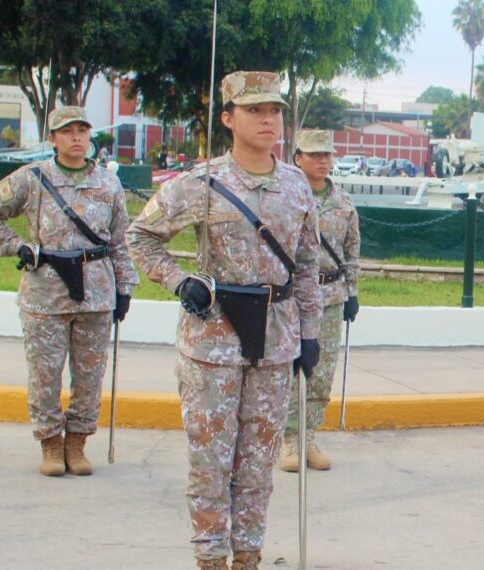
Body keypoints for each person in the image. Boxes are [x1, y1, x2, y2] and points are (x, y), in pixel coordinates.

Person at [126, 71, 323, 570]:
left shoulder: (298, 186)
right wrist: (177, 281)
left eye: (275, 110)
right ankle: (211, 559)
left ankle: (248, 556)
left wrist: (311, 334)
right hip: (213, 340)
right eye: (255, 110)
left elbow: (306, 267)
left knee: (257, 462)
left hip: (276, 341)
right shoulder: (201, 184)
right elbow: (141, 235)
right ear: (228, 118)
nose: (267, 119)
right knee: (211, 461)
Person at [0, 106, 138, 478]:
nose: (77, 138)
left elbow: (120, 240)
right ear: (53, 138)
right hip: (45, 292)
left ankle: (77, 442)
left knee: (90, 374)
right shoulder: (32, 179)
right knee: (45, 373)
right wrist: (17, 246)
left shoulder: (109, 183)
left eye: (82, 130)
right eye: (67, 131)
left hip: (96, 292)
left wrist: (125, 287)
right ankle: (50, 442)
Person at [279, 129, 360, 472]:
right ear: (298, 158)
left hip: (330, 296)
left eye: (327, 155)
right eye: (314, 155)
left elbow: (352, 252)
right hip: (291, 297)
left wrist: (352, 293)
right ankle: (286, 440)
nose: (323, 161)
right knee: (287, 370)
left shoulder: (343, 203)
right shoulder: (285, 197)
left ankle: (307, 438)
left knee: (320, 372)